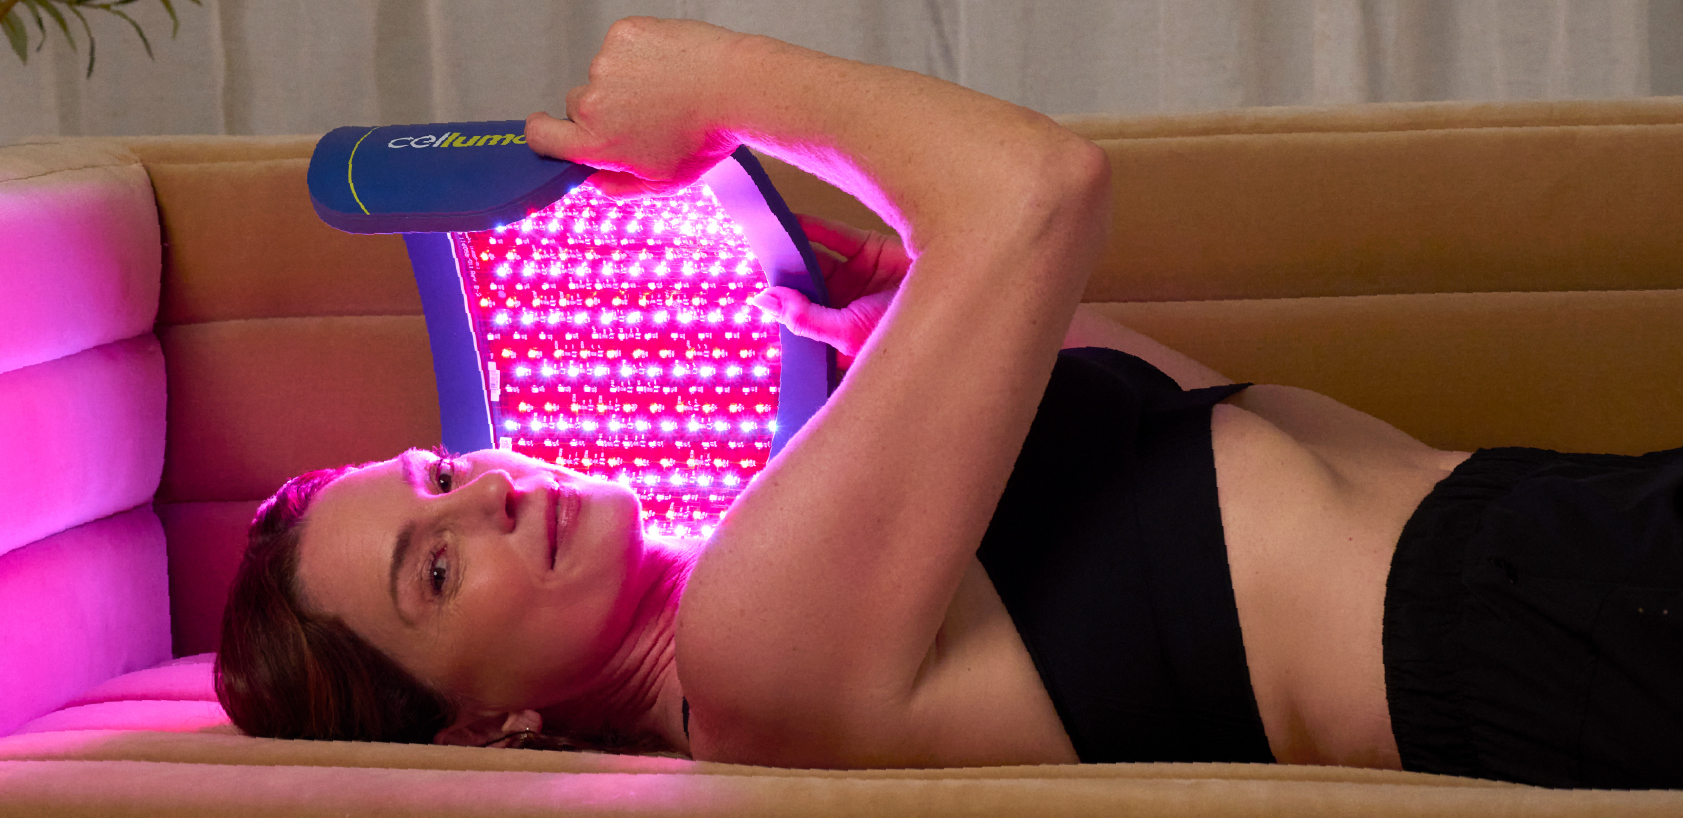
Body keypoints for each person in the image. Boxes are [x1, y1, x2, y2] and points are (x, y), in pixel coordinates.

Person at [215, 18, 1683, 787]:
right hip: (1540, 621)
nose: (486, 492)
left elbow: (1181, 425)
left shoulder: (803, 530)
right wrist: (722, 83)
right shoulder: (744, 652)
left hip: (1568, 528)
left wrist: (904, 310)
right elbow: (1046, 187)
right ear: (488, 729)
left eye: (437, 472)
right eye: (436, 562)